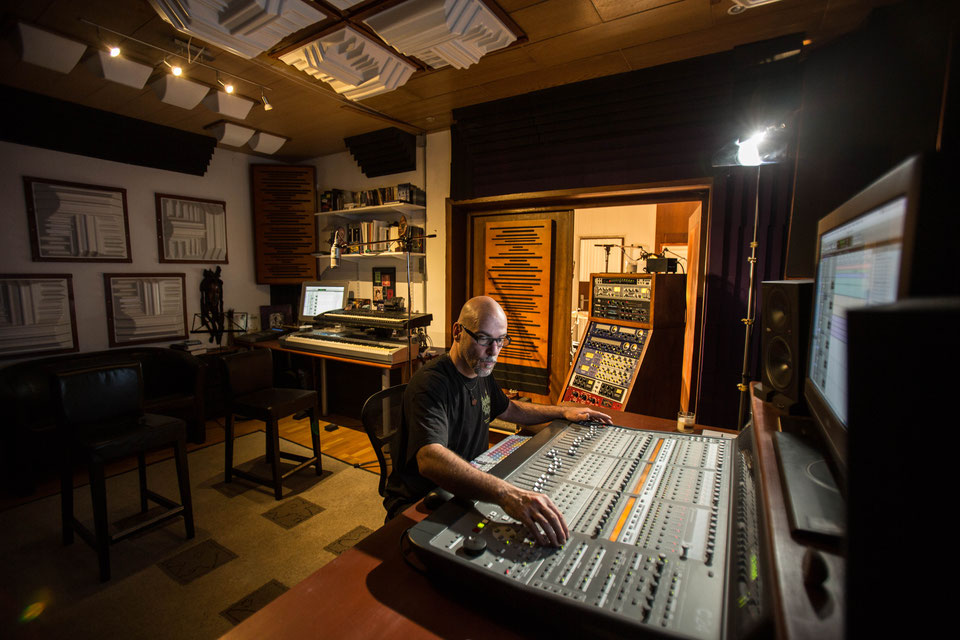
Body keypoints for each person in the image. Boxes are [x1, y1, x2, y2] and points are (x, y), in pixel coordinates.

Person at [383, 296, 612, 547]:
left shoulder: (479, 371)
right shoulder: (431, 384)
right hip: (421, 503)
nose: (494, 351)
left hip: (465, 490)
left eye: (501, 340)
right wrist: (506, 494)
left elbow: (509, 409)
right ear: (457, 332)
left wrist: (561, 413)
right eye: (484, 339)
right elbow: (430, 458)